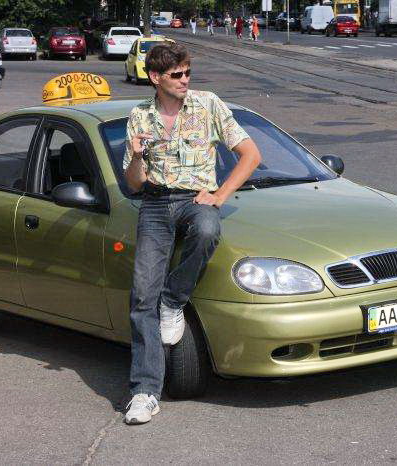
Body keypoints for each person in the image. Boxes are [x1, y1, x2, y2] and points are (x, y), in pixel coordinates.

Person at [121, 43, 262, 425]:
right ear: (155, 77)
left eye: (187, 73)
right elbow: (133, 184)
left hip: (195, 199)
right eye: (177, 75)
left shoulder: (208, 104)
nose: (185, 80)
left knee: (207, 228)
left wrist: (220, 195)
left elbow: (251, 154)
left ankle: (174, 299)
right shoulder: (139, 116)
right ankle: (145, 393)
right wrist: (137, 156)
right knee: (141, 297)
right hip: (154, 204)